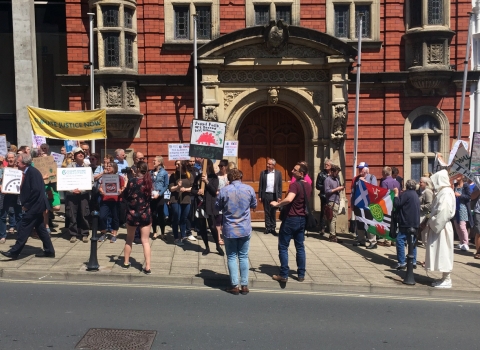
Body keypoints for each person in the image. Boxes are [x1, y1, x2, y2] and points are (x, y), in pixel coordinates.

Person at [0, 153, 55, 259]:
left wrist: (27, 205)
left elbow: (35, 191)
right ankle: (49, 251)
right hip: (37, 205)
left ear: (24, 163)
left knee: (24, 228)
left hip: (35, 206)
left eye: (18, 162)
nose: (16, 163)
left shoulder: (32, 172)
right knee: (40, 229)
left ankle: (14, 252)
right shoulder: (28, 172)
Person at [215, 168, 257, 295]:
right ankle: (244, 285)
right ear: (240, 177)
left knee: (232, 256)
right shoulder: (249, 189)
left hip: (230, 228)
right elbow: (254, 205)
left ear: (229, 179)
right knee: (243, 256)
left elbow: (217, 207)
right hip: (244, 228)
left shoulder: (224, 190)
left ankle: (234, 285)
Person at [270, 162, 312, 283]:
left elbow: (289, 199)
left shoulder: (295, 185)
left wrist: (277, 204)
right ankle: (301, 274)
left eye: (295, 169)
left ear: (301, 173)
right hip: (302, 219)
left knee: (283, 246)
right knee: (300, 247)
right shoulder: (308, 185)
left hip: (291, 219)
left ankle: (283, 274)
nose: (292, 171)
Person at [424, 169, 455, 288]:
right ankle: (444, 278)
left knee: (444, 252)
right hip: (440, 226)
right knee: (441, 252)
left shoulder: (446, 193)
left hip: (442, 227)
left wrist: (432, 222)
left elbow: (444, 212)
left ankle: (447, 279)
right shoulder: (443, 192)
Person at [122, 161, 153, 274]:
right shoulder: (149, 181)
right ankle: (148, 266)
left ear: (139, 169)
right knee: (145, 241)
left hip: (132, 214)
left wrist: (126, 183)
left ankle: (126, 262)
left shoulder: (132, 181)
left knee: (129, 239)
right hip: (145, 213)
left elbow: (124, 196)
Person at [191, 159, 224, 256]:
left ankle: (217, 246)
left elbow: (214, 191)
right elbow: (192, 190)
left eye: (204, 165)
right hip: (200, 204)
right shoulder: (198, 177)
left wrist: (207, 181)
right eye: (201, 165)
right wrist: (197, 192)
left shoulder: (214, 177)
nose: (202, 167)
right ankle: (206, 247)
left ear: (209, 166)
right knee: (202, 227)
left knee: (212, 226)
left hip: (210, 205)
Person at [392, 179, 420, 270]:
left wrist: (396, 194)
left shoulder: (406, 194)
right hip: (415, 222)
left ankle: (402, 262)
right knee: (412, 242)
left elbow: (397, 204)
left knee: (400, 240)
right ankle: (413, 261)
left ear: (407, 186)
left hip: (406, 222)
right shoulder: (415, 195)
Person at [66, 147, 91, 243]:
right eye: (78, 153)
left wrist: (82, 190)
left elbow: (91, 182)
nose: (81, 154)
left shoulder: (87, 168)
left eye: (82, 153)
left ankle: (84, 234)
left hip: (83, 194)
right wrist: (72, 190)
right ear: (75, 156)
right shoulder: (69, 167)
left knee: (84, 214)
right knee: (72, 214)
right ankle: (73, 234)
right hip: (71, 195)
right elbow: (65, 181)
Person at [352, 163, 379, 249]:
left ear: (366, 170)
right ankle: (361, 240)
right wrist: (352, 203)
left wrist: (364, 182)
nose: (359, 170)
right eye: (359, 169)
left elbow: (374, 190)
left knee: (369, 223)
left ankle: (373, 242)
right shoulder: (356, 179)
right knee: (360, 222)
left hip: (368, 205)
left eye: (361, 169)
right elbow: (353, 192)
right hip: (359, 205)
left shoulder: (372, 178)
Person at [98, 162, 125, 243]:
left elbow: (123, 187)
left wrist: (121, 191)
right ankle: (103, 233)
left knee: (115, 217)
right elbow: (101, 187)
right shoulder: (104, 178)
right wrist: (101, 191)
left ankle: (114, 234)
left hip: (115, 200)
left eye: (110, 166)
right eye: (107, 166)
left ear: (115, 168)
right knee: (102, 216)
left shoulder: (119, 178)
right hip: (105, 200)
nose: (108, 168)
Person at [168, 160, 192, 245]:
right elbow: (170, 188)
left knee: (184, 218)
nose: (177, 166)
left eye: (178, 164)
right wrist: (177, 186)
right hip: (175, 199)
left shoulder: (189, 175)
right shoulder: (173, 176)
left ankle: (183, 235)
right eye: (176, 164)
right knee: (176, 218)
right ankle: (176, 237)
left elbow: (193, 188)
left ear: (183, 165)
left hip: (186, 199)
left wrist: (185, 189)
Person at [0, 152, 22, 242]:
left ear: (15, 158)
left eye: (12, 157)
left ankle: (20, 235)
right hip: (5, 195)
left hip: (17, 195)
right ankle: (2, 236)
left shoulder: (19, 170)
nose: (11, 159)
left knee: (19, 215)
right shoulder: (2, 170)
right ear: (6, 159)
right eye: (9, 158)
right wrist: (1, 188)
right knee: (3, 216)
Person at [258, 158, 282, 235]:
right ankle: (268, 227)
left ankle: (273, 228)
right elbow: (261, 185)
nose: (267, 165)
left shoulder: (278, 173)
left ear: (273, 165)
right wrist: (260, 195)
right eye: (267, 164)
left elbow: (279, 186)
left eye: (269, 164)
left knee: (273, 212)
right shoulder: (263, 173)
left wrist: (279, 196)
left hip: (274, 195)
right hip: (266, 194)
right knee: (267, 212)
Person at [379, 166, 401, 247]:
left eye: (382, 172)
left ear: (385, 173)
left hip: (388, 205)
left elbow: (384, 194)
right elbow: (399, 194)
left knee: (387, 222)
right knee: (394, 222)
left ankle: (387, 240)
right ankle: (394, 239)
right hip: (396, 203)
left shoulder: (384, 182)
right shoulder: (397, 182)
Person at [324, 165, 344, 243]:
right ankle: (332, 236)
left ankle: (333, 234)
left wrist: (340, 188)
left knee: (334, 218)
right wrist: (337, 189)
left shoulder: (337, 179)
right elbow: (327, 191)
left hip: (337, 200)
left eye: (338, 172)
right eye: (336, 172)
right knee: (332, 219)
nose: (337, 174)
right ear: (332, 171)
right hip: (331, 201)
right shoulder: (327, 180)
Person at [150, 156, 169, 240]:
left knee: (161, 214)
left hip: (160, 196)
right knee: (153, 214)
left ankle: (163, 232)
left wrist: (160, 193)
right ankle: (154, 232)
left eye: (155, 161)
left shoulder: (164, 173)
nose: (153, 162)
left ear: (159, 162)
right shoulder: (150, 172)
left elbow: (166, 185)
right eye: (153, 160)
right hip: (152, 196)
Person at [453, 175, 473, 251]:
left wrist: (459, 195)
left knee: (462, 226)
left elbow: (468, 197)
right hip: (455, 208)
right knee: (457, 226)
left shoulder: (466, 185)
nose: (456, 177)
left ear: (462, 176)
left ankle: (465, 243)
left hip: (462, 208)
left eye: (458, 175)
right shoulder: (454, 185)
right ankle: (461, 242)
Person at [315, 159, 332, 234]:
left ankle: (330, 227)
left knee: (332, 212)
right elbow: (318, 186)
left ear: (331, 166)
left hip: (332, 196)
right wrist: (326, 187)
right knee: (324, 211)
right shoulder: (321, 174)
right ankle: (322, 227)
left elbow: (338, 183)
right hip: (324, 196)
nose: (326, 166)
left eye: (327, 165)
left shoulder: (334, 174)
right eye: (325, 164)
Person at [215, 159, 229, 245]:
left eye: (222, 166)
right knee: (218, 219)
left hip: (227, 201)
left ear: (226, 167)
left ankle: (225, 236)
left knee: (225, 220)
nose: (220, 168)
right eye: (219, 166)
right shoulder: (216, 176)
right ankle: (218, 237)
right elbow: (214, 188)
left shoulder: (229, 176)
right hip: (219, 199)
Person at [417, 177, 434, 247]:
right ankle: (425, 243)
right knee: (423, 231)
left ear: (426, 183)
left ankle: (426, 244)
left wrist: (419, 207)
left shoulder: (427, 192)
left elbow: (430, 205)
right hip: (422, 214)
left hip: (426, 215)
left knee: (425, 230)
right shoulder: (423, 191)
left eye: (421, 182)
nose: (419, 183)